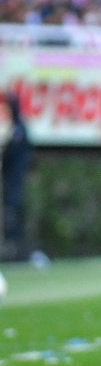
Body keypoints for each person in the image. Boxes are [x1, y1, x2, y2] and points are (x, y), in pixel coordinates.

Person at [1, 92, 33, 261]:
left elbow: (15, 155)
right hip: (10, 180)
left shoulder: (18, 130)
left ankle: (17, 253)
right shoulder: (15, 128)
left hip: (14, 181)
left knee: (12, 213)